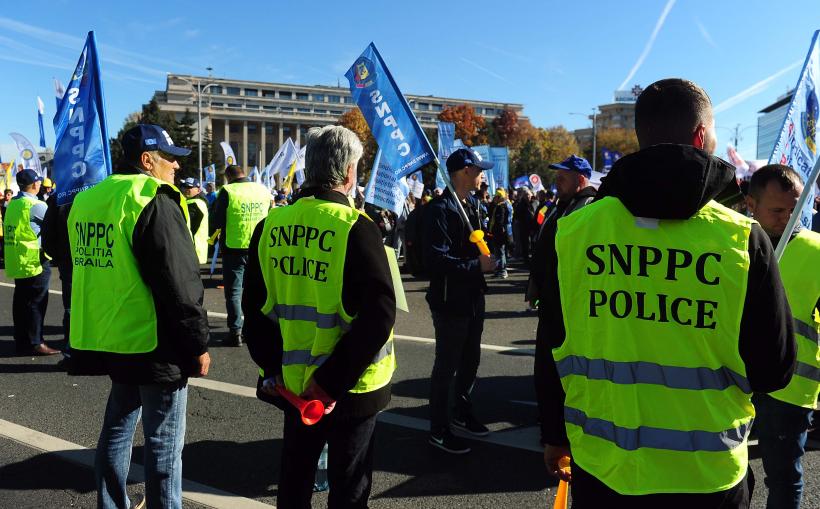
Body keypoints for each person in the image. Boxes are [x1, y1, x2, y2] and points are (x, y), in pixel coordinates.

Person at [538, 79, 796, 507]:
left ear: (641, 137)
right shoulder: (740, 239)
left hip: (605, 470)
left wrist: (552, 433)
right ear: (701, 136)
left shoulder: (573, 232)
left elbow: (550, 343)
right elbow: (774, 370)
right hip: (707, 477)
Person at [243, 125, 396, 508]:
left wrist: (273, 370)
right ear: (348, 173)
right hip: (352, 386)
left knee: (294, 484)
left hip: (293, 384)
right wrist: (329, 383)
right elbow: (379, 316)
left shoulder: (269, 226)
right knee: (348, 491)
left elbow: (255, 311)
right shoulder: (357, 228)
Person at [67, 124, 210, 509]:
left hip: (110, 334)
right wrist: (197, 343)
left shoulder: (88, 199)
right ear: (148, 161)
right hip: (154, 337)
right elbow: (179, 282)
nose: (176, 168)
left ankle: (111, 504)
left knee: (117, 426)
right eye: (169, 159)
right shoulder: (152, 198)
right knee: (164, 441)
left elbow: (67, 257)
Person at [745, 164, 819, 509]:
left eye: (795, 208)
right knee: (726, 474)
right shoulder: (731, 245)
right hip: (732, 379)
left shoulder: (817, 251)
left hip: (790, 389)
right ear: (751, 204)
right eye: (777, 210)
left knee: (784, 477)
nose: (789, 218)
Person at [423, 148, 496, 454]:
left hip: (472, 296)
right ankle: (438, 429)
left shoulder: (473, 205)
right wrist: (475, 266)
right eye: (478, 169)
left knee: (470, 360)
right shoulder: (439, 209)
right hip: (449, 299)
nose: (482, 174)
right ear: (464, 171)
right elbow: (436, 262)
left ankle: (461, 412)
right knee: (447, 365)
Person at [212, 164, 271, 346]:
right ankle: (256, 329)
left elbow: (216, 220)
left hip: (234, 248)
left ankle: (236, 332)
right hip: (258, 247)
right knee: (257, 291)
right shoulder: (262, 190)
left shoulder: (227, 191)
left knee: (234, 293)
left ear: (229, 177)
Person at [4, 169, 59, 355]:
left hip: (18, 260)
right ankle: (36, 342)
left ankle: (21, 339)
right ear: (35, 184)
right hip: (36, 260)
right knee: (36, 303)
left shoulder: (14, 203)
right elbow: (55, 225)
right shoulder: (35, 205)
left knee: (20, 301)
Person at [179, 177, 209, 265]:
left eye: (189, 187)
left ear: (198, 190)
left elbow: (186, 228)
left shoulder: (193, 204)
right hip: (196, 249)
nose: (186, 189)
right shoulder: (198, 202)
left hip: (191, 249)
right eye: (184, 187)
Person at [488, 188, 513, 278]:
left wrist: (495, 230)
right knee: (499, 251)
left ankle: (502, 270)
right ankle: (500, 269)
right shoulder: (506, 205)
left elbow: (499, 221)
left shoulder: (501, 206)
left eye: (496, 196)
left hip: (499, 234)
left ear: (499, 197)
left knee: (500, 252)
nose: (494, 198)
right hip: (503, 233)